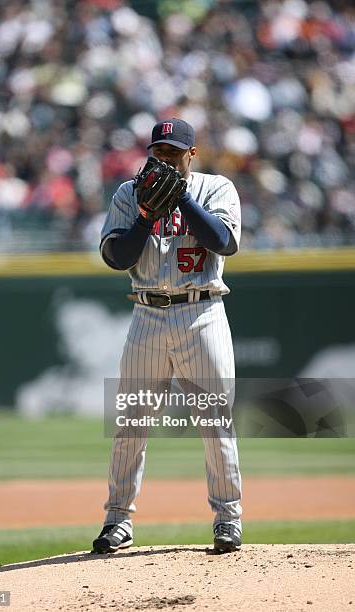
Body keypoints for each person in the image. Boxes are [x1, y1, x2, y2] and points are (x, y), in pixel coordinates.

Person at [93, 118, 242, 554]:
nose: (164, 160)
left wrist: (181, 199)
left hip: (202, 312)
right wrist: (144, 216)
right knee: (131, 423)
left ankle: (227, 519)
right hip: (147, 314)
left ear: (191, 155)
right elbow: (117, 257)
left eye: (173, 153)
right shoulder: (128, 193)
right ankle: (117, 519)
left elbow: (224, 242)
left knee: (215, 421)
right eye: (158, 152)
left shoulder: (217, 189)